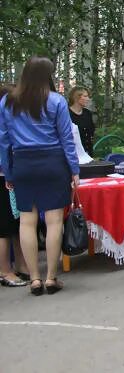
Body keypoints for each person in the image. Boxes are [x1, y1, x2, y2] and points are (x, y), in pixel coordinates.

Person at [0, 57, 79, 295]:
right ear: (48, 76)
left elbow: (3, 142)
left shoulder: (7, 102)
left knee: (26, 221)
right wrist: (74, 170)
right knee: (54, 221)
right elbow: (67, 139)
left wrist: (8, 171)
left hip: (23, 163)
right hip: (53, 162)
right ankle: (51, 277)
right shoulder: (56, 101)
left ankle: (34, 278)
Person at [0, 85, 29, 288]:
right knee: (4, 229)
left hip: (10, 177)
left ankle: (22, 265)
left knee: (16, 224)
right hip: (3, 177)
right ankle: (4, 270)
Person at [67, 86, 95, 156]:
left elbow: (91, 133)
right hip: (72, 154)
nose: (88, 99)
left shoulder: (87, 113)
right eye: (85, 96)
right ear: (76, 97)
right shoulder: (66, 114)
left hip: (87, 154)